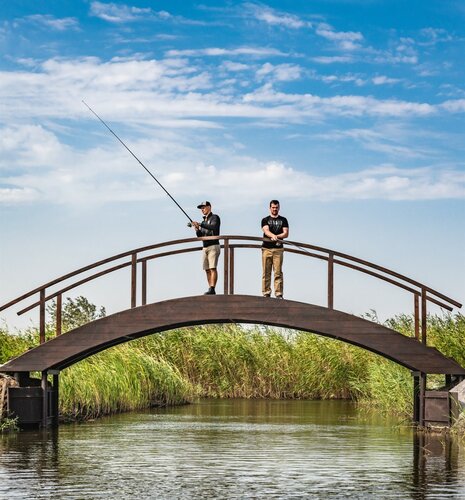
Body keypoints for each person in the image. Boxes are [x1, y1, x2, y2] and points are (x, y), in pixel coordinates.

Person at [191, 201, 221, 295]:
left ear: (209, 207)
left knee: (212, 268)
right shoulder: (203, 222)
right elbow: (200, 236)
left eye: (204, 207)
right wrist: (197, 229)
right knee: (207, 269)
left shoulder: (215, 217)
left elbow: (213, 227)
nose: (202, 209)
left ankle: (212, 288)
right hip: (205, 247)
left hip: (213, 245)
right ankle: (210, 288)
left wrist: (200, 224)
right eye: (201, 208)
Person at [261, 200, 289, 298]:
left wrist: (276, 236)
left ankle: (278, 293)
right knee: (266, 272)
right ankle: (266, 292)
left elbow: (286, 233)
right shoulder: (265, 219)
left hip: (278, 250)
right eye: (273, 207)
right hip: (266, 249)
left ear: (279, 208)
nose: (274, 209)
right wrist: (273, 235)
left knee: (278, 272)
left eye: (276, 207)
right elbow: (266, 230)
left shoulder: (283, 220)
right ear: (270, 208)